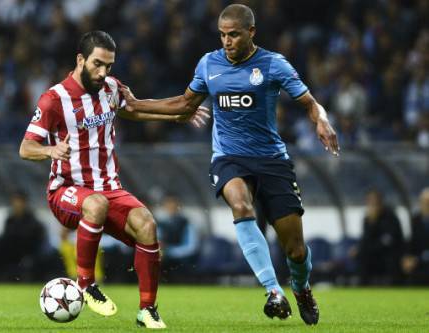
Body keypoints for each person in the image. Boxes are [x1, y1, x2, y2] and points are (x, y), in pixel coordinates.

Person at [120, 4, 340, 326]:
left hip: (272, 160)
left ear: (251, 33)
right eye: (222, 35)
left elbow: (309, 102)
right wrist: (136, 104)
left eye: (234, 34)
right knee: (240, 204)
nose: (227, 41)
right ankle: (272, 291)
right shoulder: (209, 64)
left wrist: (322, 121)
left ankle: (301, 287)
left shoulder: (273, 64)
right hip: (229, 157)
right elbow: (184, 104)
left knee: (295, 249)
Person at [19, 30, 207, 329]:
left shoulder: (110, 88)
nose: (103, 72)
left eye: (109, 65)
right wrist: (51, 150)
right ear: (80, 60)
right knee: (95, 204)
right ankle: (85, 285)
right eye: (97, 64)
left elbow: (133, 108)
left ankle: (147, 310)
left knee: (147, 225)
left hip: (109, 190)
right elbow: (26, 148)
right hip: (66, 192)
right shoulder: (54, 99)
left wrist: (177, 114)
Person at [351, 189, 404, 285]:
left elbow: (388, 240)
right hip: (373, 254)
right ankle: (361, 287)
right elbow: (365, 239)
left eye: (374, 202)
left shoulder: (390, 217)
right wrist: (359, 249)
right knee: (361, 256)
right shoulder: (367, 219)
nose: (372, 205)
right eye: (369, 202)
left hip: (388, 253)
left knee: (391, 260)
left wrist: (367, 248)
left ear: (380, 202)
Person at [401, 187, 429, 284]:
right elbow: (411, 242)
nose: (426, 205)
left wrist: (418, 259)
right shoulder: (416, 221)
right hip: (419, 263)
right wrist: (407, 257)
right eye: (424, 202)